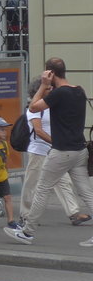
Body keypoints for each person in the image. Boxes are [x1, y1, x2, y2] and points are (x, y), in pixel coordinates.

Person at [8, 57, 93, 244]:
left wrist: (43, 85)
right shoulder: (79, 90)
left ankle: (27, 232)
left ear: (51, 73)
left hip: (61, 152)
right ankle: (28, 230)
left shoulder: (58, 94)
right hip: (80, 150)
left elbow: (33, 106)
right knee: (86, 192)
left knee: (41, 189)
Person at [20, 75, 90, 226]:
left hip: (56, 151)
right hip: (39, 151)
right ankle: (25, 215)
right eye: (48, 88)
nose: (51, 90)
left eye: (52, 87)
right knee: (32, 184)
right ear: (40, 90)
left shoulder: (50, 104)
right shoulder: (34, 108)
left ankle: (74, 213)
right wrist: (58, 142)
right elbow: (38, 131)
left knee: (64, 182)